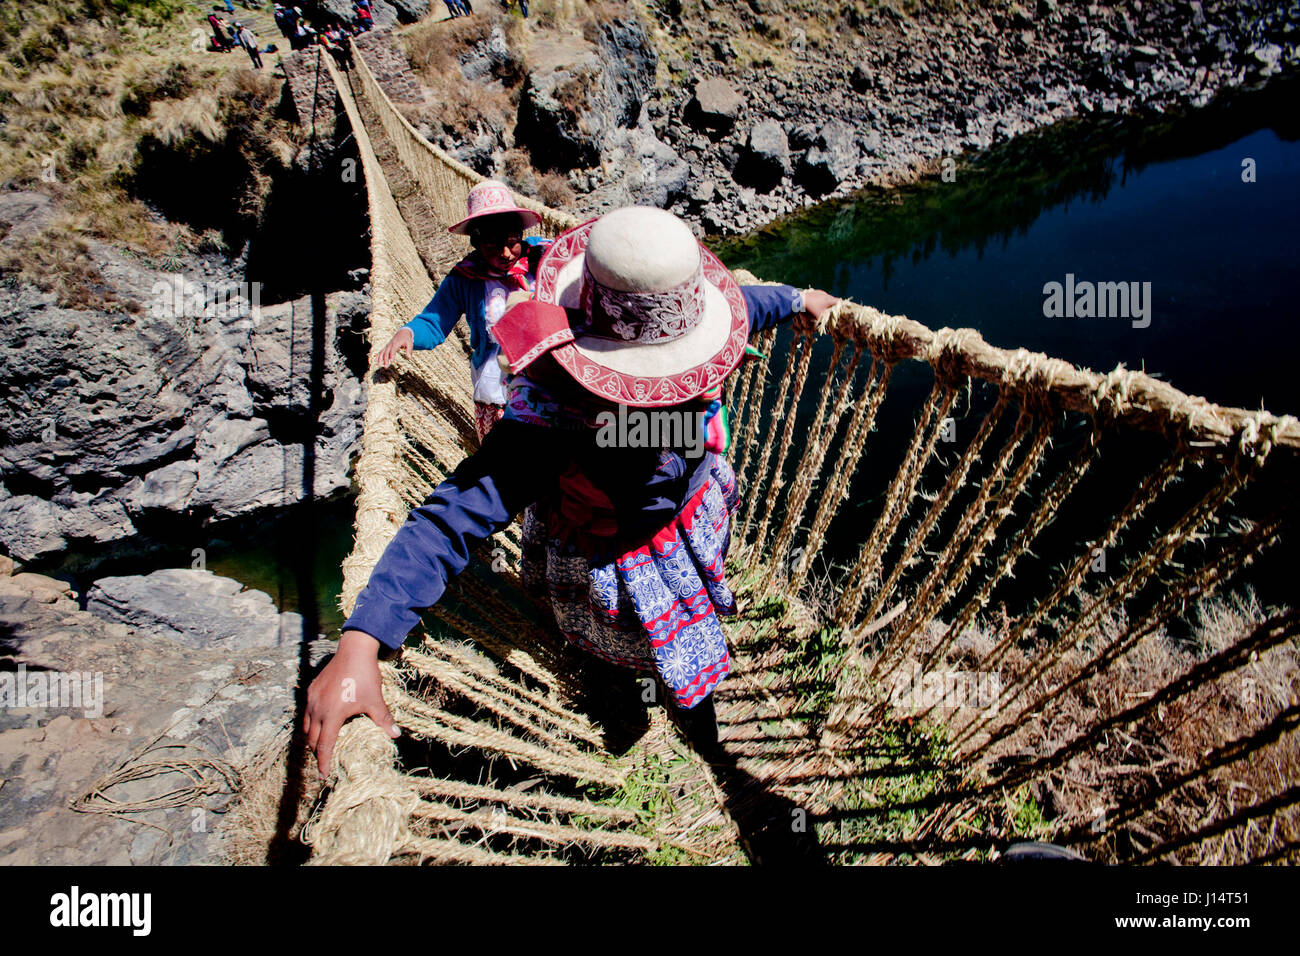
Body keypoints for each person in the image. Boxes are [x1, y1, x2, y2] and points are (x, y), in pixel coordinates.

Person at [304, 205, 839, 775]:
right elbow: (451, 514)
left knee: (675, 631)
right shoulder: (552, 416)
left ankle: (692, 724)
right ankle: (662, 714)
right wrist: (362, 640)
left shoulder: (692, 314)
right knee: (639, 639)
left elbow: (748, 306)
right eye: (659, 373)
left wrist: (797, 298)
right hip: (618, 543)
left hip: (682, 515)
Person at [377, 181, 552, 442]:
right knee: (502, 467)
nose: (505, 253)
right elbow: (436, 318)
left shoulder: (544, 260)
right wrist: (408, 332)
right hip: (496, 394)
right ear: (477, 243)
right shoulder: (466, 278)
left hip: (547, 388)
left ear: (520, 235)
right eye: (493, 245)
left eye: (512, 241)